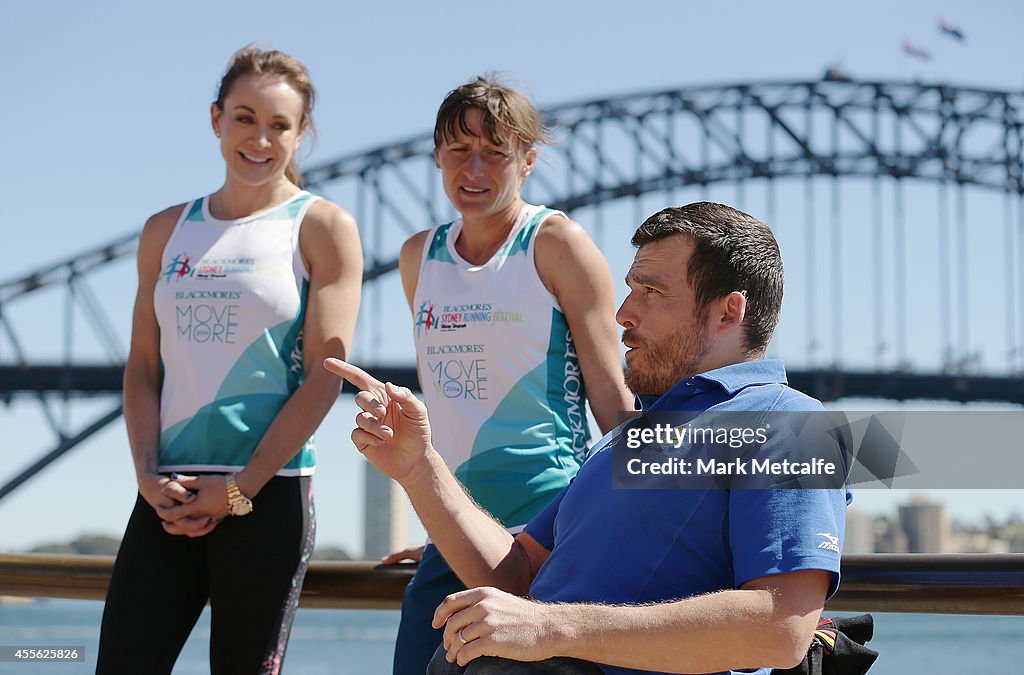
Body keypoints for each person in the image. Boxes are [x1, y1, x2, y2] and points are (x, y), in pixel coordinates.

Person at [326, 201, 850, 675]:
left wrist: (552, 628)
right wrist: (420, 469)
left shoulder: (788, 423)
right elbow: (519, 574)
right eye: (629, 289)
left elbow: (781, 628)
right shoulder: (627, 440)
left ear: (727, 312)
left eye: (651, 292)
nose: (623, 312)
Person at [96, 46, 363, 675]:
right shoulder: (166, 229)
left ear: (302, 134)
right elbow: (141, 367)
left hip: (265, 498)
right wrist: (145, 476)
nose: (260, 139)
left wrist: (239, 491)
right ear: (216, 118)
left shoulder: (321, 226)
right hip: (169, 492)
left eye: (280, 124)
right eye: (245, 118)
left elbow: (328, 375)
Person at [386, 74, 635, 674]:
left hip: (543, 530)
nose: (474, 169)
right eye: (458, 152)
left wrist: (649, 511)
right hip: (452, 529)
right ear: (438, 158)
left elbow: (611, 395)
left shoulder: (555, 244)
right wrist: (441, 523)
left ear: (527, 161)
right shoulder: (418, 256)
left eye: (495, 153)